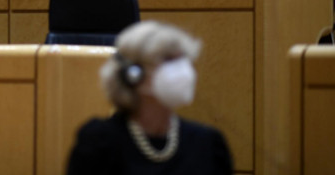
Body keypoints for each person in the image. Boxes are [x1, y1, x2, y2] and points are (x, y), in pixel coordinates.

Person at [67, 20, 232, 175]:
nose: (183, 71)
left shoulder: (208, 143)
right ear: (133, 75)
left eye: (183, 59)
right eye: (168, 60)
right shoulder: (99, 142)